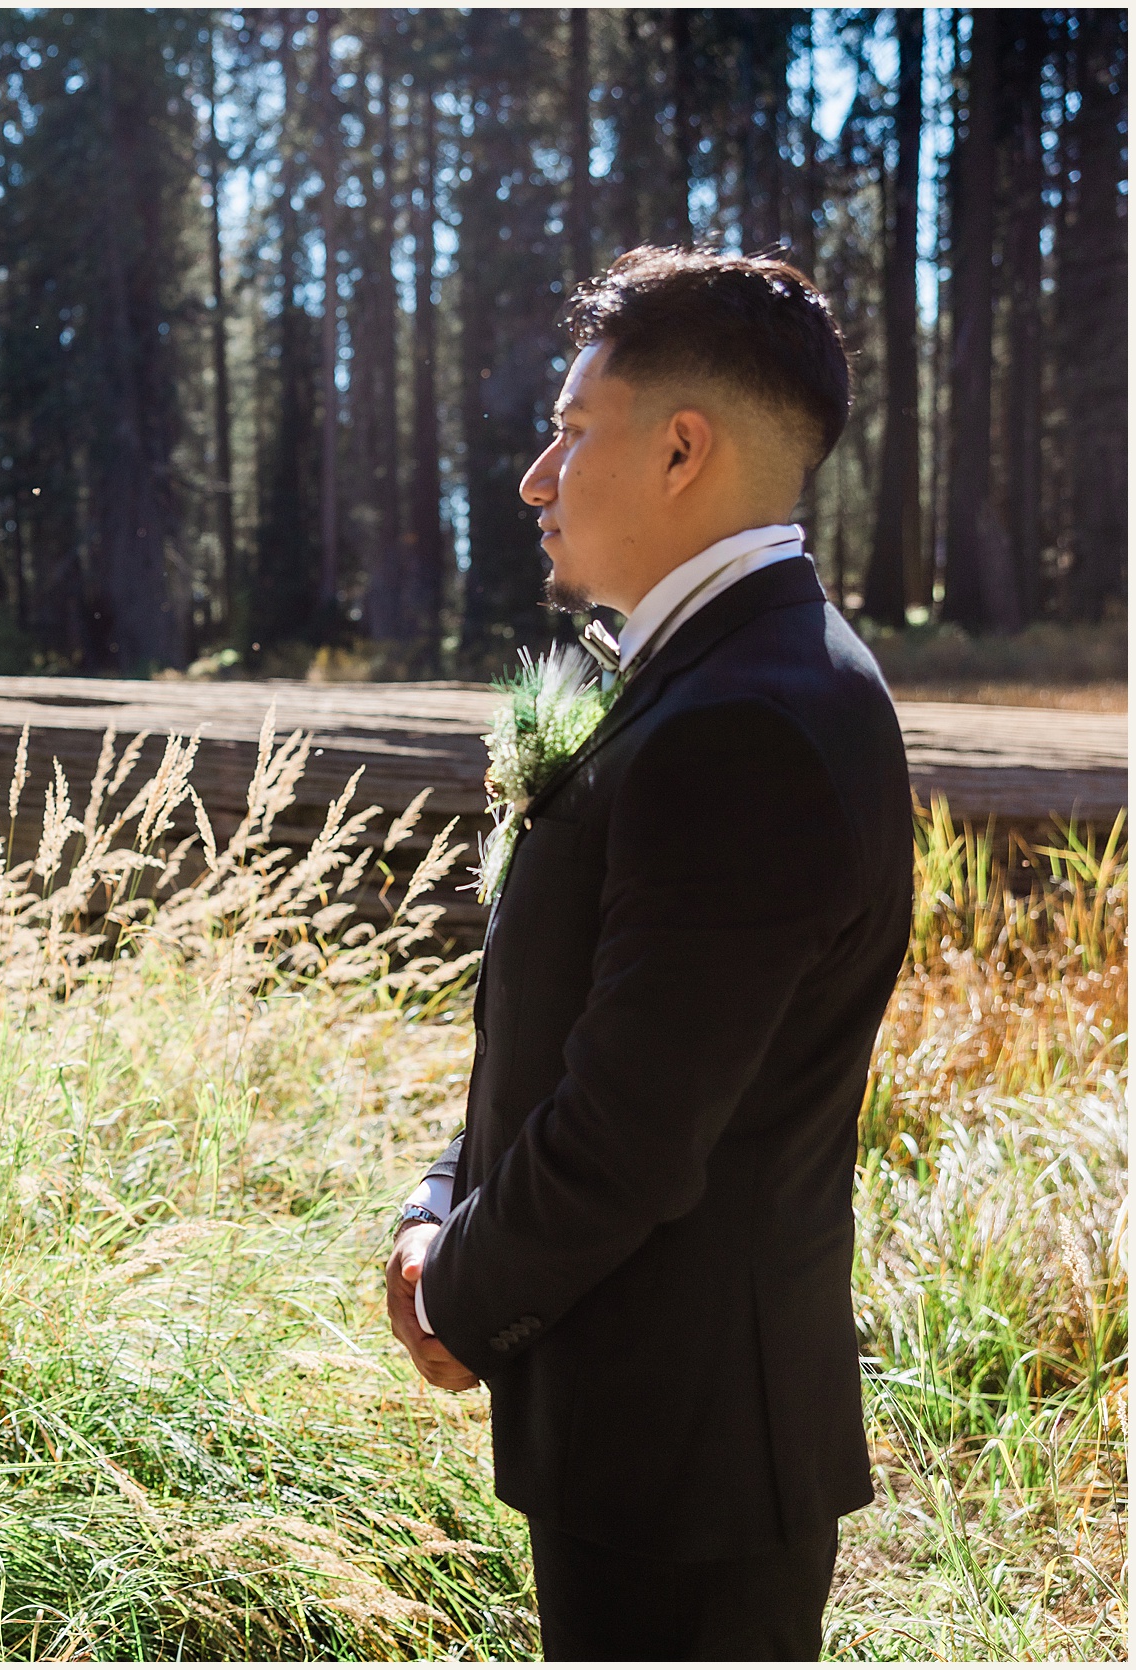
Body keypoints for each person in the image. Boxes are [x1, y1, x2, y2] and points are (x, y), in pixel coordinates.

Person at [382, 248, 911, 1660]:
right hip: (649, 1421)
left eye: (571, 432)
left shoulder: (752, 720)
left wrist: (457, 1288)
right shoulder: (714, 675)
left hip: (691, 1451)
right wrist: (441, 1198)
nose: (534, 478)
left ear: (684, 448)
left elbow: (634, 1125)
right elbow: (569, 1021)